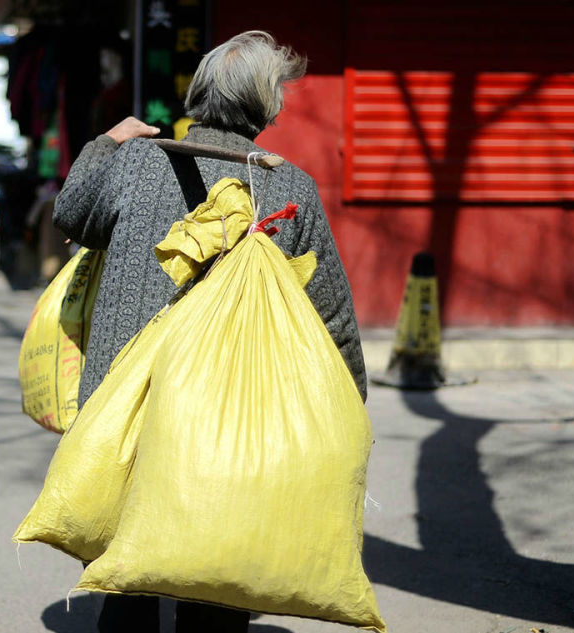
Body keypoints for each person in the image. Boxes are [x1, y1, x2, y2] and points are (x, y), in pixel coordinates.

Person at [52, 31, 367, 633]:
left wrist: (106, 143)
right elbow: (329, 313)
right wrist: (351, 400)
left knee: (130, 575)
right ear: (266, 106)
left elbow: (72, 215)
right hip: (233, 410)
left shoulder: (136, 161)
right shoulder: (289, 187)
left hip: (128, 401)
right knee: (217, 572)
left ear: (199, 93)